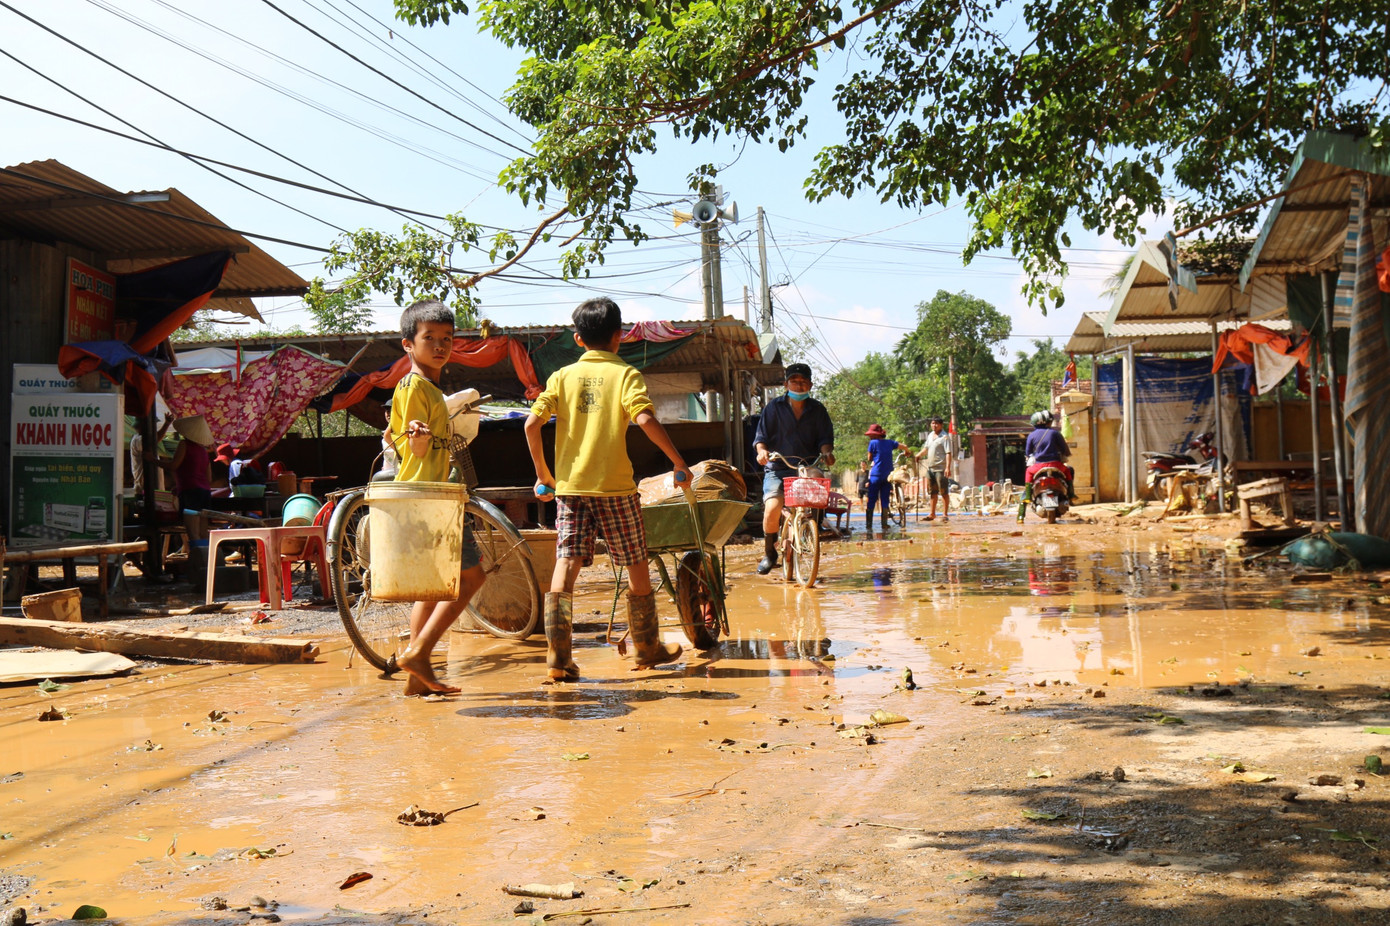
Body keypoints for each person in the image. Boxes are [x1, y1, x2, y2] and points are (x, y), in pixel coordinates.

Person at [526, 296, 693, 681]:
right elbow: (645, 418)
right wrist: (677, 461)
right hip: (616, 488)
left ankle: (558, 656)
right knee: (635, 563)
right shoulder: (626, 374)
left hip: (570, 489)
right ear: (620, 336)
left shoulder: (561, 377)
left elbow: (530, 425)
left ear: (578, 339)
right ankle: (647, 647)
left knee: (566, 564)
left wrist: (543, 474)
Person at [389, 299, 490, 696]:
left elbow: (397, 437)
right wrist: (417, 438)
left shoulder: (425, 388)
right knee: (472, 578)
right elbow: (411, 448)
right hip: (430, 498)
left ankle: (417, 679)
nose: (440, 345)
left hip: (427, 497)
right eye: (429, 338)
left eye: (447, 338)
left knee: (434, 588)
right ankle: (420, 652)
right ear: (408, 345)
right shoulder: (416, 388)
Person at [752, 362, 835, 574]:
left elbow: (825, 440)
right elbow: (761, 439)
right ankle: (770, 553)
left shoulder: (818, 410)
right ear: (785, 384)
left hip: (806, 466)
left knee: (818, 483)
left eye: (803, 382)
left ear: (810, 385)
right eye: (794, 381)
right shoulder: (773, 408)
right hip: (778, 466)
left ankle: (812, 529)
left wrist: (826, 453)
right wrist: (762, 452)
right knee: (772, 508)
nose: (799, 386)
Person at [165, 415, 215, 542]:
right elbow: (208, 478)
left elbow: (173, 465)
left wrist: (153, 460)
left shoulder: (183, 444)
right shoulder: (203, 451)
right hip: (204, 492)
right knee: (203, 532)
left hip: (190, 492)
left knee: (192, 533)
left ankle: (197, 560)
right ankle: (205, 559)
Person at [1020, 409, 1074, 520]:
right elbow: (1065, 450)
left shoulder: (1031, 435)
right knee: (1069, 471)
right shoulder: (1055, 433)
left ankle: (1028, 495)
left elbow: (1028, 452)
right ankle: (1071, 494)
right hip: (1056, 465)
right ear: (1047, 422)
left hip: (1038, 467)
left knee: (1028, 472)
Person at [862, 424, 900, 533]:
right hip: (887, 476)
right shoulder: (890, 443)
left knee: (872, 499)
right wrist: (907, 451)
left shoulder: (872, 443)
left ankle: (869, 526)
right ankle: (884, 524)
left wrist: (874, 455)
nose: (869, 437)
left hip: (875, 476)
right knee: (885, 499)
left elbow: (869, 458)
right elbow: (903, 446)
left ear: (875, 435)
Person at [914, 416, 952, 523]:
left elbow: (948, 453)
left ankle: (945, 514)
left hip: (941, 468)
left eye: (936, 423)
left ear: (941, 425)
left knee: (943, 491)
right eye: (932, 423)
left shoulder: (944, 437)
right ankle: (932, 513)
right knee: (932, 492)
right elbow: (926, 448)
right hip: (930, 468)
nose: (934, 425)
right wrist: (919, 455)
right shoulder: (930, 435)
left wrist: (948, 467)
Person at [130, 413, 173, 497]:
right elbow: (155, 439)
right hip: (144, 488)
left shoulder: (142, 439)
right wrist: (166, 424)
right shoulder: (138, 440)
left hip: (151, 487)